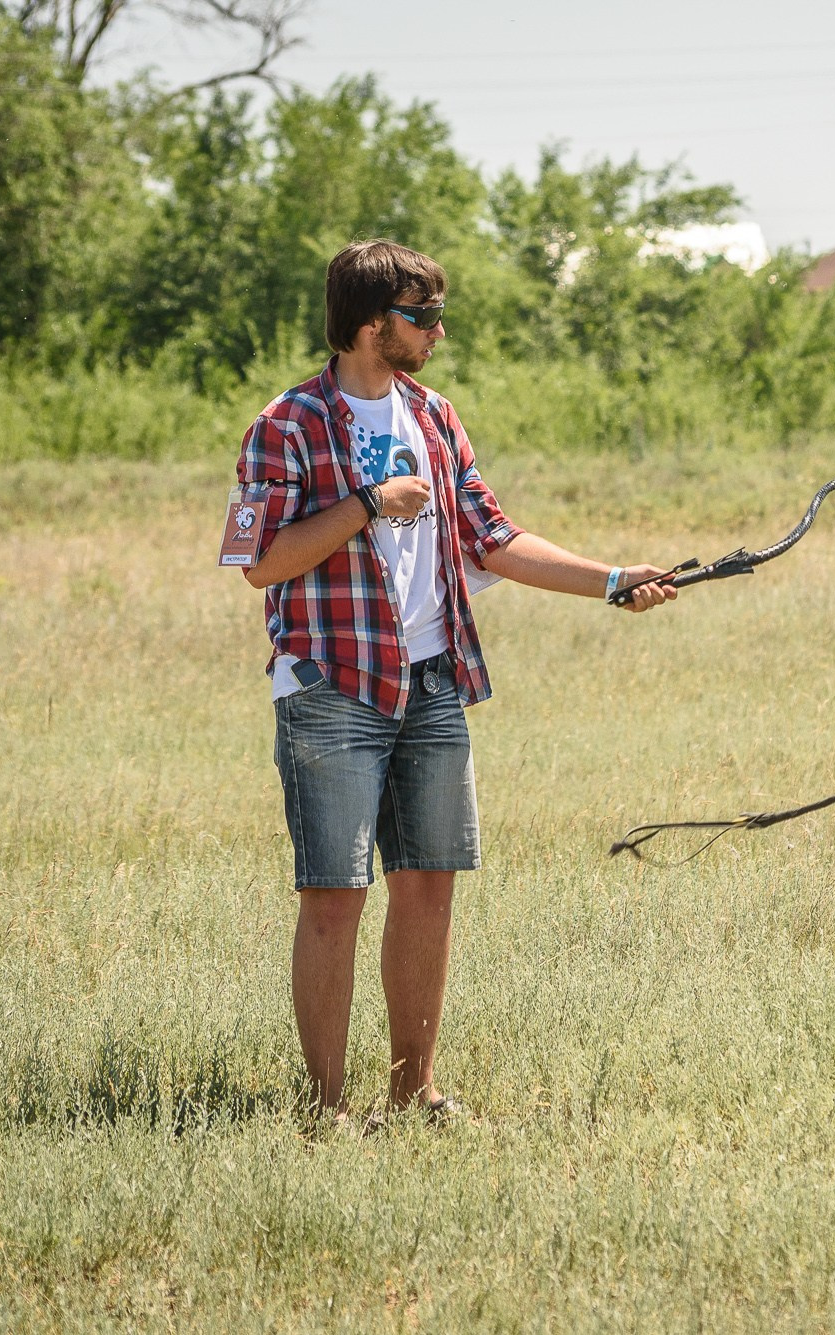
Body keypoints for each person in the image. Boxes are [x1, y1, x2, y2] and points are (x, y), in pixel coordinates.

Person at [235, 239, 676, 1126]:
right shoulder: (286, 424)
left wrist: (612, 578)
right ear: (370, 326)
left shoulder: (434, 415)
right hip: (332, 688)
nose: (439, 329)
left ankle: (414, 1094)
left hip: (433, 683)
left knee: (430, 884)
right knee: (335, 895)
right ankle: (326, 1114)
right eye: (422, 315)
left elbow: (492, 538)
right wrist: (366, 503)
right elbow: (260, 562)